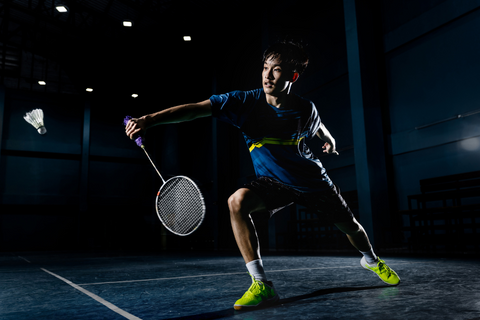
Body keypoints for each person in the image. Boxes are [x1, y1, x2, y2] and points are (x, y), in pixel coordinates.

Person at [125, 40, 400, 311]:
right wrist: (148, 120)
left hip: (311, 182)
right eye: (266, 67)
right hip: (273, 182)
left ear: (292, 76)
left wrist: (329, 140)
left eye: (277, 69)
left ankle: (372, 259)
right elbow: (195, 110)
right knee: (237, 202)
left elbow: (318, 125)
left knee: (351, 227)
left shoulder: (305, 108)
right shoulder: (244, 102)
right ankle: (261, 285)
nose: (267, 75)